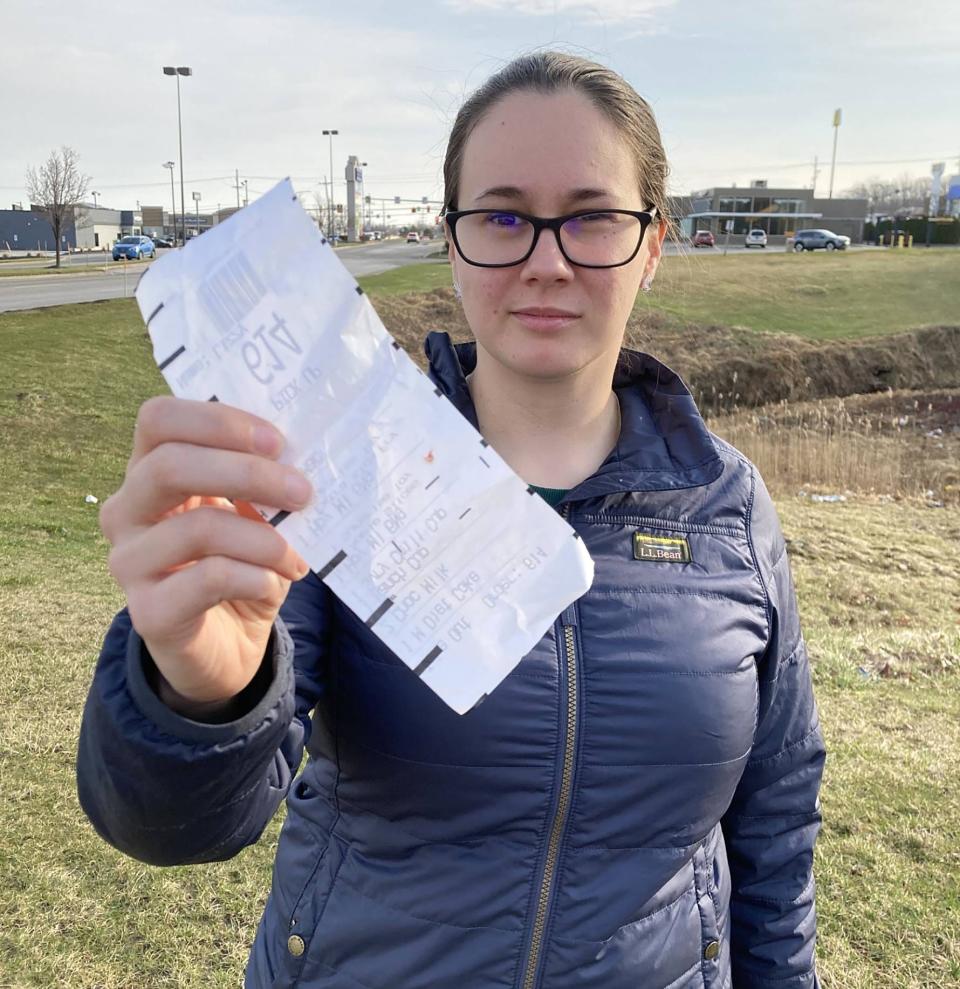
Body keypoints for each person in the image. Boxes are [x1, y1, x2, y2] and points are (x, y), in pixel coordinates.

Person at [78, 51, 825, 989]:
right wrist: (199, 695)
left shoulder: (727, 505)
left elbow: (775, 818)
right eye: (504, 215)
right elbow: (176, 822)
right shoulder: (340, 474)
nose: (546, 260)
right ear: (454, 238)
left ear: (653, 243)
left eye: (592, 217)